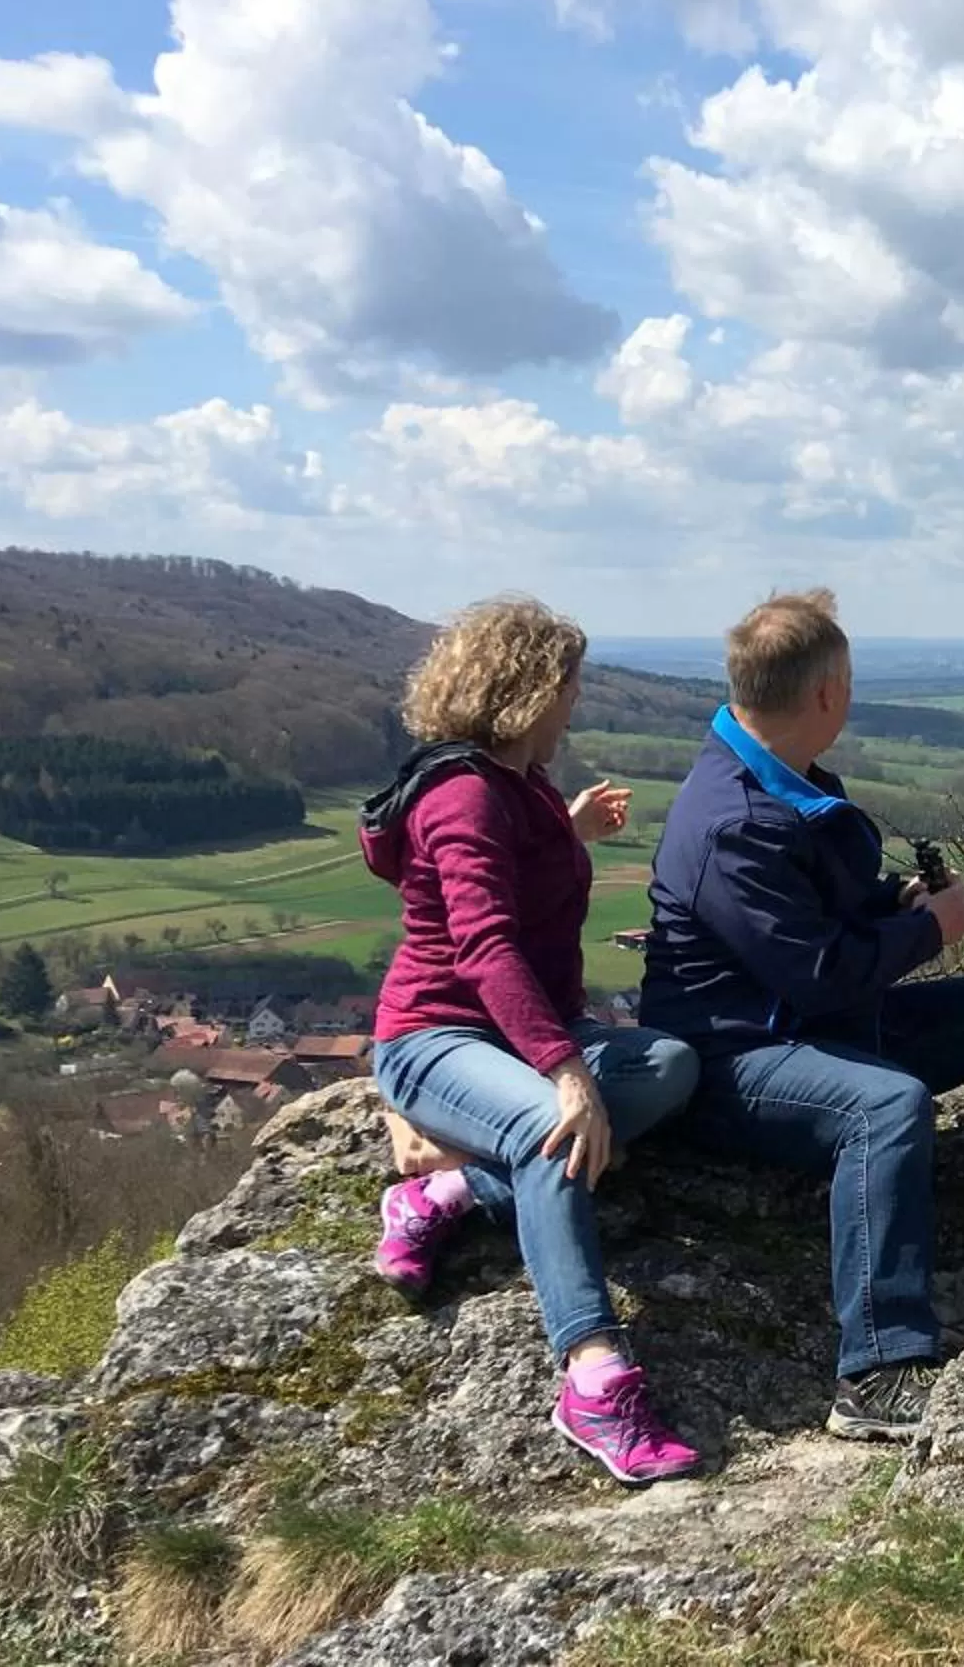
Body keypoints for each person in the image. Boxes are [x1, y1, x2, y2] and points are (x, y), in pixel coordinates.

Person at [641, 589, 964, 1443]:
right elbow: (817, 976)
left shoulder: (769, 780)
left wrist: (892, 901)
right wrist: (928, 928)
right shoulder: (736, 822)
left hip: (799, 1026)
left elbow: (808, 923)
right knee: (884, 1106)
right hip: (738, 1056)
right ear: (828, 693)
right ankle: (876, 1369)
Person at [362, 596, 704, 1484]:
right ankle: (594, 1375)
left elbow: (520, 869)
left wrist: (570, 827)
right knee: (555, 1135)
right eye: (568, 687)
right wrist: (565, 1073)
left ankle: (448, 1194)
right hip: (437, 1035)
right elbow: (484, 945)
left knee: (669, 1065)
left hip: (514, 1036)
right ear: (526, 691)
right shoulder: (463, 794)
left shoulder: (519, 786)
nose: (574, 704)